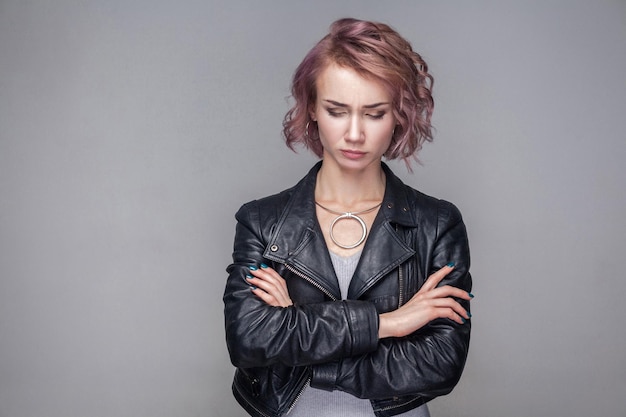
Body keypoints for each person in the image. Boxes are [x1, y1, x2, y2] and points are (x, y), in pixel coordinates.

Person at [224, 18, 473, 417]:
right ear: (312, 112)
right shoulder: (262, 222)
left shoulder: (436, 224)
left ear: (399, 117)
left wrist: (298, 330)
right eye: (337, 111)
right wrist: (387, 324)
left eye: (374, 113)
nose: (354, 133)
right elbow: (249, 341)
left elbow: (439, 363)